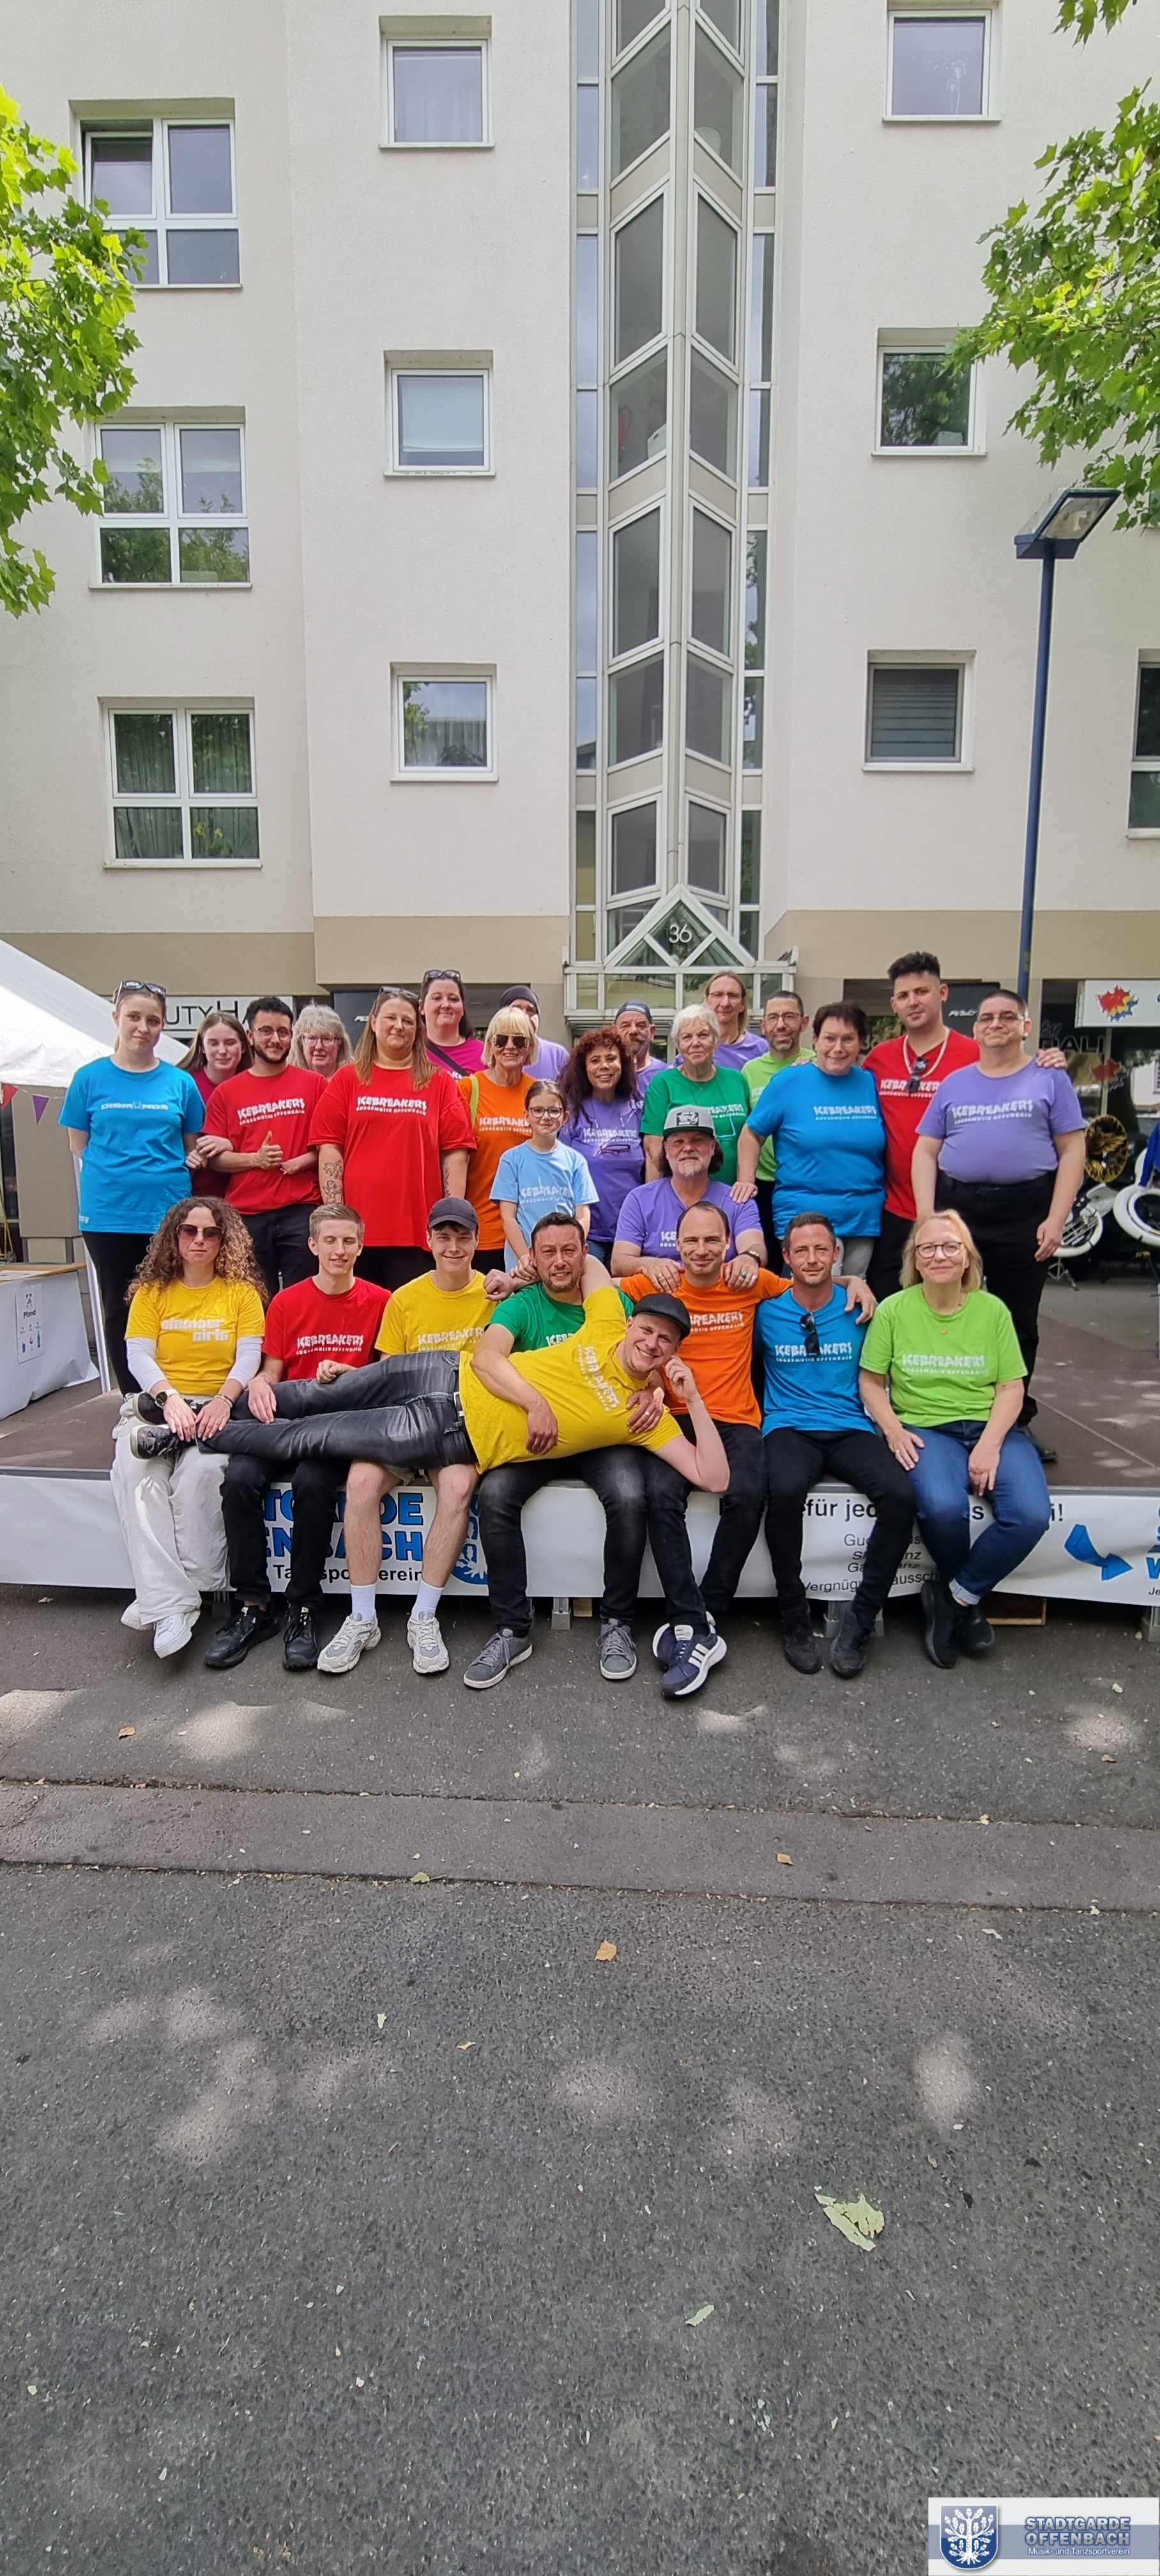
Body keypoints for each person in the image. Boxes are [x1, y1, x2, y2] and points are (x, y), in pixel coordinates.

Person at [175, 1268, 733, 1698]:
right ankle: (194, 1412)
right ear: (632, 1323)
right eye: (647, 1329)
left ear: (673, 1352)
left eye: (665, 1341)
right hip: (444, 1370)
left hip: (447, 1434)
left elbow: (714, 1476)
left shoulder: (644, 1418)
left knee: (315, 1436)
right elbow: (587, 1262)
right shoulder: (608, 1320)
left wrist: (687, 1397)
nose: (652, 1343)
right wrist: (521, 1276)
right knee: (319, 1395)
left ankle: (201, 1433)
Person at [623, 1203, 876, 1655]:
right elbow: (598, 1288)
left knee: (747, 1496)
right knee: (660, 1497)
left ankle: (710, 1609)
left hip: (737, 1418)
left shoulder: (748, 1281)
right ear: (677, 1245)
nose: (702, 1250)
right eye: (691, 1241)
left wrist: (852, 1281)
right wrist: (642, 1263)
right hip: (676, 1415)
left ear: (728, 1243)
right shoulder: (659, 1282)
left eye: (712, 1240)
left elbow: (808, 1282)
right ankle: (686, 1615)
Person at [464, 1215, 657, 1690]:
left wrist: (653, 1391)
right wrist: (535, 1404)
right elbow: (488, 1357)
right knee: (495, 1496)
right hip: (539, 1435)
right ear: (531, 1258)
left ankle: (617, 1623)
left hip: (600, 1437)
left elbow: (651, 1359)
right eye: (548, 1252)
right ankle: (512, 1630)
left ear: (585, 1253)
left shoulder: (609, 1303)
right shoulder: (522, 1304)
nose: (559, 1261)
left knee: (630, 1496)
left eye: (569, 1250)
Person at [859, 1209, 1052, 1669]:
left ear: (968, 1258)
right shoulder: (894, 1310)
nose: (940, 1255)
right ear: (915, 1259)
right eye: (928, 1248)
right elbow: (871, 1382)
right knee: (943, 1509)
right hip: (926, 1429)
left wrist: (989, 1445)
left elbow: (1011, 1388)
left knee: (1030, 1516)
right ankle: (966, 1602)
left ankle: (954, 1599)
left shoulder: (992, 1311)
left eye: (951, 1247)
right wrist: (893, 1430)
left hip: (991, 1427)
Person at [202, 1205, 390, 1674]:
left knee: (313, 1483)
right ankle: (253, 1607)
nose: (339, 1250)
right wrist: (260, 1384)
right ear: (312, 1246)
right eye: (330, 1241)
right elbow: (272, 1370)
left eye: (348, 1241)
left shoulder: (382, 1301)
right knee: (240, 1478)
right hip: (283, 1423)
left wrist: (349, 1375)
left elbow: (386, 1377)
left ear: (361, 1246)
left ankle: (303, 1607)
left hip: (338, 1428)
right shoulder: (286, 1302)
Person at [317, 1199, 492, 1679]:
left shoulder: (496, 1294)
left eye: (463, 1237)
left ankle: (423, 1616)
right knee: (359, 1484)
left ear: (478, 1241)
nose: (453, 1246)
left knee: (457, 1488)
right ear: (429, 1241)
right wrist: (350, 1375)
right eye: (444, 1237)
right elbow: (387, 1374)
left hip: (459, 1425)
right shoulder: (405, 1299)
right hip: (405, 1419)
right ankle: (362, 1618)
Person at [911, 989, 1086, 1441]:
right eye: (987, 1017)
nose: (996, 1024)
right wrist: (929, 1218)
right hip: (960, 1210)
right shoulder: (954, 1084)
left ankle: (1014, 1420)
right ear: (975, 1029)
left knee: (1017, 1319)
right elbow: (925, 1151)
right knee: (949, 1310)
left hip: (1025, 1212)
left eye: (1007, 1017)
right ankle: (949, 1408)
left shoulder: (1050, 1079)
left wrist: (1056, 1218)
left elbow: (1072, 1150)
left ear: (1025, 1027)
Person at [757, 1213, 916, 1678]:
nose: (811, 1259)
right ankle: (794, 1616)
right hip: (788, 1425)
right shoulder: (766, 1311)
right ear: (786, 1258)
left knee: (901, 1497)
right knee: (784, 1492)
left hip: (850, 1425)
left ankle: (860, 1621)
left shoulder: (861, 1309)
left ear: (836, 1255)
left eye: (820, 1250)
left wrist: (855, 1283)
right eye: (801, 1251)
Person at [112, 1196, 265, 1656]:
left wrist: (224, 1400)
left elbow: (249, 1356)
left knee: (200, 1476)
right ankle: (171, 1604)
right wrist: (170, 1399)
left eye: (211, 1232)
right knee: (137, 1475)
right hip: (159, 1408)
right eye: (190, 1231)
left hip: (217, 1407)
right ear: (174, 1237)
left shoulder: (241, 1293)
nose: (200, 1240)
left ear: (224, 1241)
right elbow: (138, 1355)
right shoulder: (152, 1293)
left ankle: (169, 1597)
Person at [60, 979, 205, 1394]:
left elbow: (190, 1146)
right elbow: (78, 1145)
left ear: (163, 1026)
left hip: (168, 1213)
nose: (143, 1028)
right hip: (109, 1214)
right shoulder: (89, 1079)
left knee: (171, 1302)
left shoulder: (180, 1083)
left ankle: (175, 1391)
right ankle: (132, 1398)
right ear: (116, 1019)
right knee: (119, 1306)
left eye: (153, 1020)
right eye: (134, 1018)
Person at [310, 987, 473, 1289]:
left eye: (408, 1021)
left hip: (417, 1232)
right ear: (373, 1023)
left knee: (411, 1316)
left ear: (418, 1029)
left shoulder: (440, 1083)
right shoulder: (347, 1080)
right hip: (357, 1236)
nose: (399, 1026)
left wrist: (450, 1218)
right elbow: (330, 1149)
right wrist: (337, 1217)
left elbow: (456, 1154)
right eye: (390, 1018)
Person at [735, 1002, 886, 1278]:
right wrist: (746, 1181)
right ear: (815, 1040)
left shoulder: (870, 1084)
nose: (837, 1048)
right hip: (805, 1215)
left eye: (847, 1039)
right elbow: (752, 1133)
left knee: (854, 1292)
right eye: (829, 1038)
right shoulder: (789, 1082)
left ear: (861, 1043)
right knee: (816, 1293)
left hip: (863, 1216)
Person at [199, 996, 326, 1298]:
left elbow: (332, 1145)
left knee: (301, 1299)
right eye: (266, 1031)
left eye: (283, 1032)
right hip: (247, 1213)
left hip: (302, 1209)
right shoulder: (226, 1093)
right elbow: (214, 1160)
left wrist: (302, 1161)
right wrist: (256, 1159)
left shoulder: (316, 1085)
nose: (275, 1040)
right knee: (255, 1300)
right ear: (250, 1036)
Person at [613, 1106, 766, 1282]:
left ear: (713, 1147)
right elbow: (619, 1263)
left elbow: (756, 1247)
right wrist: (648, 1264)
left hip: (721, 1294)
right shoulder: (639, 1200)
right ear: (666, 1149)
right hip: (657, 1295)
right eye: (678, 1142)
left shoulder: (737, 1199)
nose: (688, 1148)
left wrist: (749, 1258)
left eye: (697, 1141)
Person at [458, 1008, 538, 1269]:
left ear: (530, 1047)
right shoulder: (469, 1089)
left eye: (519, 1040)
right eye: (501, 1040)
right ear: (490, 1045)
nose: (510, 1047)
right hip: (483, 1228)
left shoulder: (538, 1093)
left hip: (529, 1229)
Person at [558, 1026, 646, 1263]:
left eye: (611, 1059)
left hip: (632, 1230)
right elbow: (562, 1173)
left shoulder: (638, 1108)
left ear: (623, 1064)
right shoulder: (572, 1112)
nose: (604, 1066)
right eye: (595, 1061)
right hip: (588, 1231)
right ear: (584, 1068)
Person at [492, 1080, 599, 1268]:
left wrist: (569, 1253)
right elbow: (508, 1218)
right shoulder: (511, 1160)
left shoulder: (575, 1161)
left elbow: (583, 1216)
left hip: (562, 1264)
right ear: (526, 1115)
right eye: (538, 1111)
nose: (546, 1117)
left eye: (554, 1111)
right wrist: (525, 1258)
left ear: (565, 1117)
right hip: (523, 1264)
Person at [641, 1006, 752, 1183]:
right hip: (682, 1191)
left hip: (733, 1191)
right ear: (678, 1045)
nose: (696, 1043)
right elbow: (654, 1151)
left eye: (703, 1035)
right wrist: (654, 1195)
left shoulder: (737, 1080)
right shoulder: (663, 1084)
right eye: (687, 1037)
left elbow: (749, 1139)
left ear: (716, 1040)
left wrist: (745, 1185)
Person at [741, 991, 813, 1264]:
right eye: (773, 1018)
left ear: (804, 1023)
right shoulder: (749, 1071)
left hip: (801, 1183)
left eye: (789, 1017)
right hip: (761, 1183)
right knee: (764, 1261)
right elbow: (748, 1129)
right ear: (763, 1026)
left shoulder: (818, 1064)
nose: (781, 1025)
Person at [179, 1011, 252, 1194]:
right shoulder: (184, 1084)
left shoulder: (256, 1084)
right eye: (214, 1043)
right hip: (195, 1190)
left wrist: (230, 1144)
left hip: (243, 1191)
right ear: (202, 1047)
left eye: (230, 1043)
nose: (222, 1051)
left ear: (243, 1047)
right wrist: (188, 1154)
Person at [418, 969, 485, 1076]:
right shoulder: (411, 1050)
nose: (446, 1005)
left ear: (463, 1008)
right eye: (437, 998)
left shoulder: (484, 1053)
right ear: (421, 1007)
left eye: (453, 999)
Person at [496, 986, 569, 1080]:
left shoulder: (558, 1055)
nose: (525, 1016)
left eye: (531, 1010)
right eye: (517, 1010)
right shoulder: (494, 1053)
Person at [699, 972, 767, 1070]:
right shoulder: (695, 1047)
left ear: (743, 1004)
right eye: (718, 995)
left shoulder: (761, 1048)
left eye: (732, 996)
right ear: (706, 1002)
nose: (725, 1003)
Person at [289, 1004, 353, 1078]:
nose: (319, 1047)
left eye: (327, 1039)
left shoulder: (353, 1079)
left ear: (340, 1043)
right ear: (300, 1042)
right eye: (312, 1039)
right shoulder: (290, 1080)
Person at [613, 1000, 666, 1077]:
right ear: (614, 1032)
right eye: (625, 1026)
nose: (633, 1031)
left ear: (652, 1032)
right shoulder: (605, 1076)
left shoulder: (667, 1076)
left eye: (641, 1026)